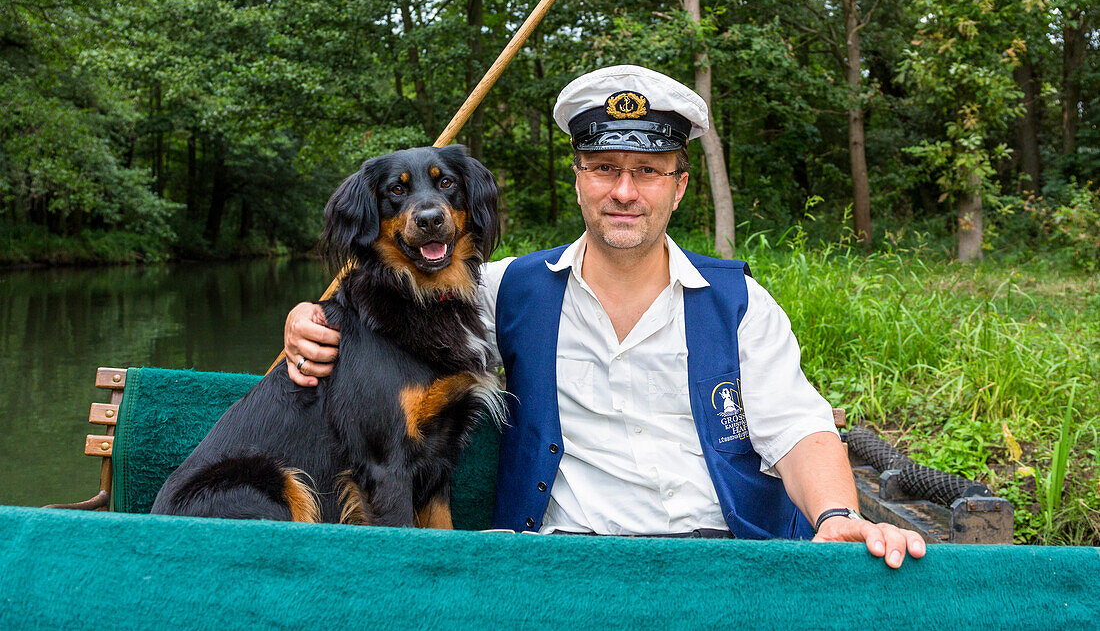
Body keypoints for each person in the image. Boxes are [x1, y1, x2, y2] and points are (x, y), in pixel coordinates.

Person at [284, 65, 925, 567]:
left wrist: (837, 514)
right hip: (562, 558)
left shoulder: (739, 304)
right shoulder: (501, 292)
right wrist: (305, 320)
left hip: (720, 554)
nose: (624, 191)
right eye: (605, 168)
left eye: (646, 171)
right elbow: (387, 313)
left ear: (677, 186)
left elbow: (798, 431)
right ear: (579, 178)